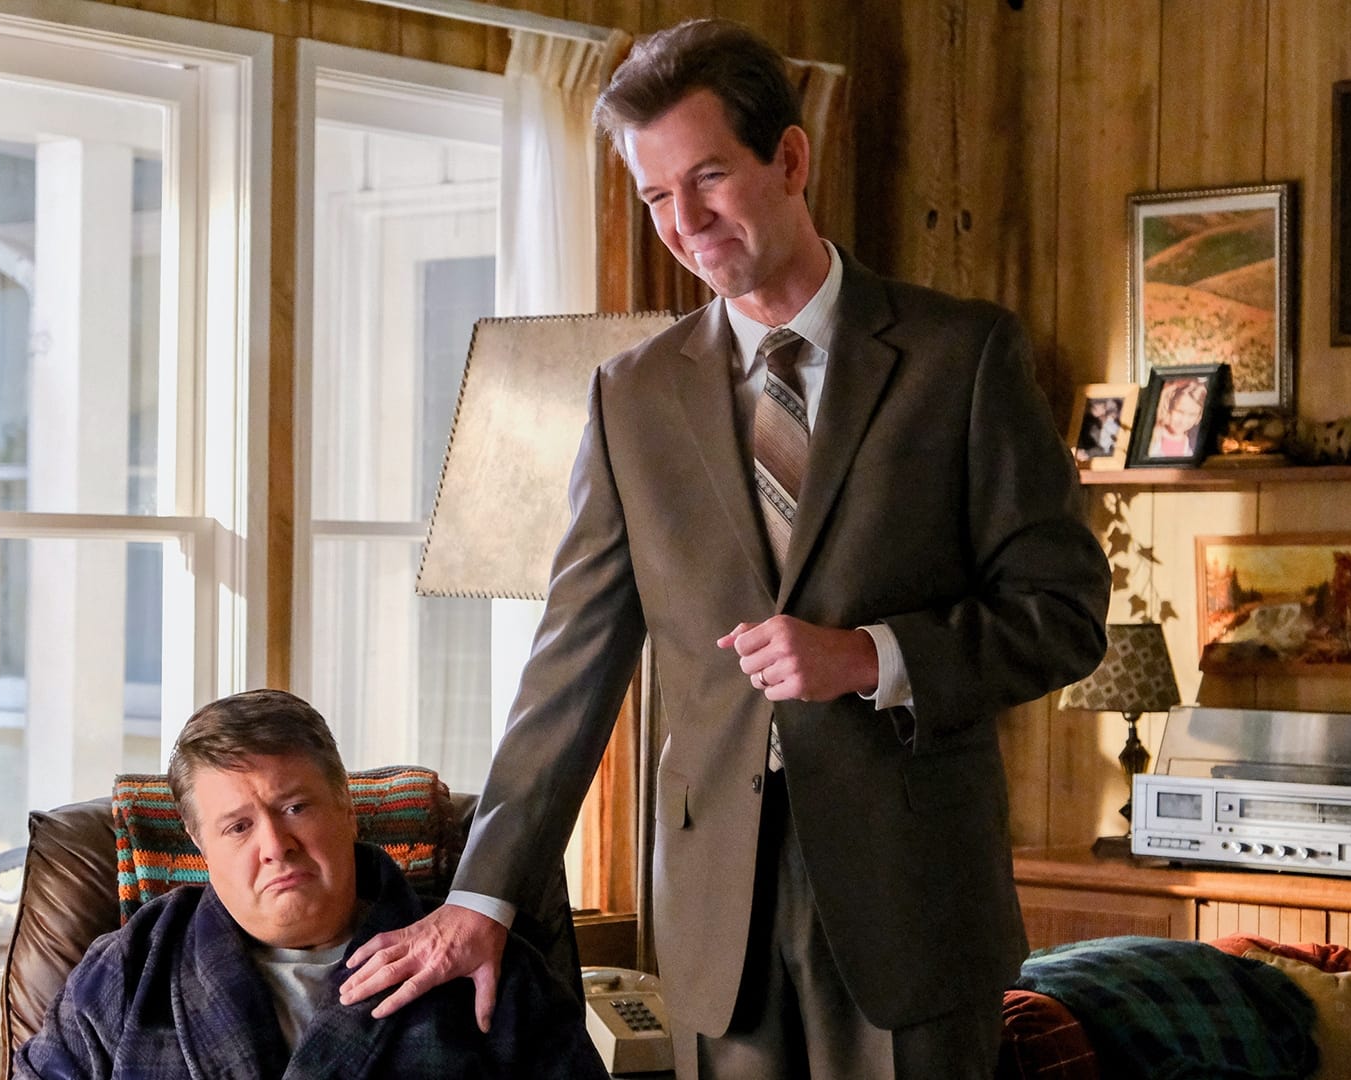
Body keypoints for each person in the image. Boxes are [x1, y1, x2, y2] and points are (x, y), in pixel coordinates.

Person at [337, 19, 1109, 1080]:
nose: (685, 223)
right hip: (716, 918)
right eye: (656, 196)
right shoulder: (631, 395)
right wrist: (484, 893)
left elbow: (1063, 612)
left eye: (708, 178)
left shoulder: (960, 357)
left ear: (790, 158)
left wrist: (872, 656)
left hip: (914, 902)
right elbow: (572, 660)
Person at [12, 689, 605, 1080]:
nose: (275, 845)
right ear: (201, 844)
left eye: (295, 807)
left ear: (346, 808)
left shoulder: (480, 965)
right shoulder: (126, 973)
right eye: (238, 826)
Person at [1151, 377, 1207, 457]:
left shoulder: (1191, 450)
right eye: (1179, 412)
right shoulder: (1155, 435)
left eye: (1192, 415)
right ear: (1169, 407)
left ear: (1198, 417)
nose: (1183, 420)